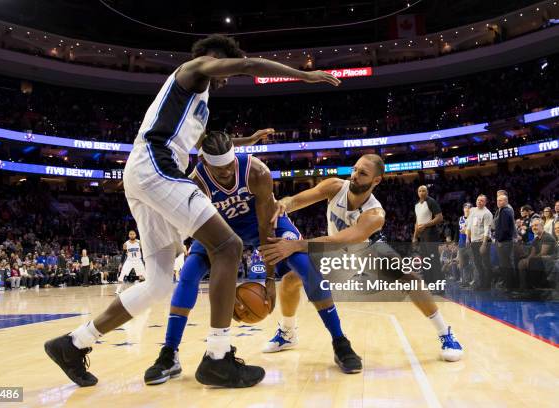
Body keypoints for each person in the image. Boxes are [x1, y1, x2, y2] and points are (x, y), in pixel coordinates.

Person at [44, 33, 340, 388]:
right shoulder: (194, 69)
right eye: (225, 69)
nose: (226, 78)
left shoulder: (198, 102)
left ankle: (75, 343)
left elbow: (199, 142)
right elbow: (248, 65)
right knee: (228, 246)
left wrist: (246, 141)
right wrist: (304, 76)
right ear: (217, 57)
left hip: (145, 173)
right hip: (157, 165)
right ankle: (217, 356)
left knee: (156, 284)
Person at [144, 132, 361, 385]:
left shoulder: (257, 171)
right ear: (204, 162)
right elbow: (206, 232)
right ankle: (169, 354)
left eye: (229, 166)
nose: (225, 173)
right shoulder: (197, 183)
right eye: (218, 169)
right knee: (189, 273)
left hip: (263, 224)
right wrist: (227, 290)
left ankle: (340, 342)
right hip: (221, 228)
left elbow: (265, 229)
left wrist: (269, 279)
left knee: (307, 267)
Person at [260, 154, 463, 362]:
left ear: (376, 180)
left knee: (409, 279)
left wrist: (296, 245)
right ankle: (288, 332)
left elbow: (345, 239)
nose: (355, 175)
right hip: (335, 253)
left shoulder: (375, 214)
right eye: (355, 169)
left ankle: (446, 333)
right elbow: (295, 200)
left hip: (368, 250)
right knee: (289, 281)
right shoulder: (335, 186)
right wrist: (283, 205)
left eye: (363, 173)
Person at [514, 218, 557, 297]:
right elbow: (532, 254)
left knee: (528, 262)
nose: (534, 227)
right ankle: (523, 288)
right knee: (521, 262)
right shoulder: (536, 239)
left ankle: (528, 289)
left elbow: (543, 253)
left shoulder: (547, 237)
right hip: (539, 260)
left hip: (548, 261)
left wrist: (529, 260)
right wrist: (527, 259)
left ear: (542, 226)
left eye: (536, 225)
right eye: (533, 226)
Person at [412, 185, 443, 284]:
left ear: (427, 192)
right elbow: (417, 222)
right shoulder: (417, 205)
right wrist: (415, 237)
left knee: (434, 260)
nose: (422, 192)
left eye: (424, 190)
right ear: (417, 193)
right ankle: (429, 283)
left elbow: (439, 217)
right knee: (426, 261)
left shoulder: (431, 202)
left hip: (431, 234)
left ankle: (438, 285)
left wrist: (425, 225)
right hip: (422, 236)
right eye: (420, 191)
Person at [466, 195, 494, 290]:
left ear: (485, 202)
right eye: (478, 200)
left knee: (485, 264)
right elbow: (469, 225)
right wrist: (468, 239)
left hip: (483, 241)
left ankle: (487, 285)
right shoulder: (473, 210)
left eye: (482, 201)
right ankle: (480, 283)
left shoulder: (487, 213)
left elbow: (487, 229)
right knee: (477, 264)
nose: (479, 202)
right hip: (473, 241)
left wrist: (484, 244)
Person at [494, 194, 516, 289]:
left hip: (504, 242)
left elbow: (505, 228)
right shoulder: (503, 211)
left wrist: (499, 240)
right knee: (505, 264)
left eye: (501, 200)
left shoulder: (505, 211)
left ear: (506, 201)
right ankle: (508, 284)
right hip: (505, 241)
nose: (498, 202)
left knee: (506, 264)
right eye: (498, 200)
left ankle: (509, 285)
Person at [115, 230, 145, 295]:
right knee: (122, 275)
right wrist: (121, 263)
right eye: (130, 234)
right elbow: (123, 254)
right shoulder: (126, 244)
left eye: (133, 234)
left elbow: (143, 252)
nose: (132, 235)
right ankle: (118, 290)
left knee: (144, 275)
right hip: (129, 261)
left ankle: (145, 289)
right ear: (129, 235)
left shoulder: (139, 242)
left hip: (138, 260)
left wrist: (144, 261)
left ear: (135, 235)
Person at [457, 203, 472, 286]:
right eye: (465, 207)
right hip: (461, 243)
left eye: (469, 207)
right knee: (462, 263)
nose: (467, 209)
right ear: (463, 209)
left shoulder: (473, 219)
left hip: (470, 244)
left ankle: (472, 280)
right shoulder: (460, 219)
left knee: (472, 263)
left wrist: (466, 230)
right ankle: (464, 281)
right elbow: (459, 231)